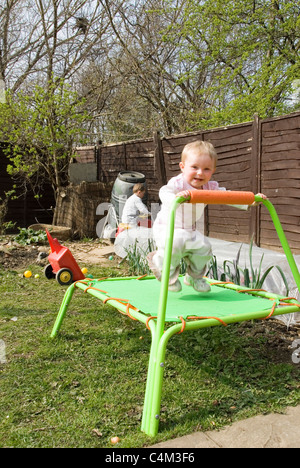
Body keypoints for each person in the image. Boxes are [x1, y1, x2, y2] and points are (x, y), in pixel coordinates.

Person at [147, 140, 267, 293]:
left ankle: (194, 277)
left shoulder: (210, 187)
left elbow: (227, 196)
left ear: (213, 171)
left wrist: (250, 200)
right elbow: (164, 191)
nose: (200, 173)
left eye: (206, 169)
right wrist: (176, 198)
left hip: (189, 229)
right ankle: (164, 271)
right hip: (166, 227)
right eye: (194, 167)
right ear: (182, 167)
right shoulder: (178, 183)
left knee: (204, 248)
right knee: (174, 245)